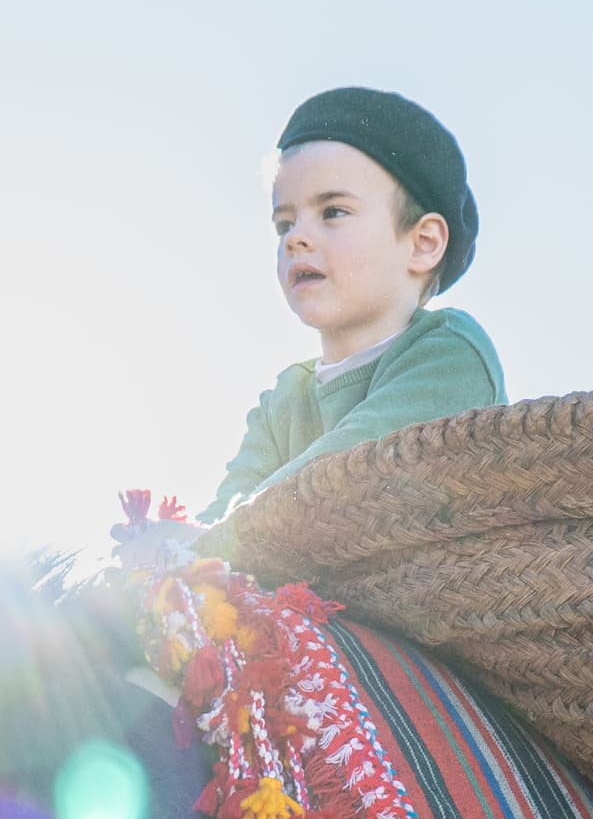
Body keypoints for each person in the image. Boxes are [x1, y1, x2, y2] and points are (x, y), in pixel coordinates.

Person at [202, 85, 506, 520]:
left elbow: (342, 476)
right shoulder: (283, 400)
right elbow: (222, 517)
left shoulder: (450, 355)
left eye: (333, 212)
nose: (296, 238)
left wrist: (196, 554)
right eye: (284, 223)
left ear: (422, 243)